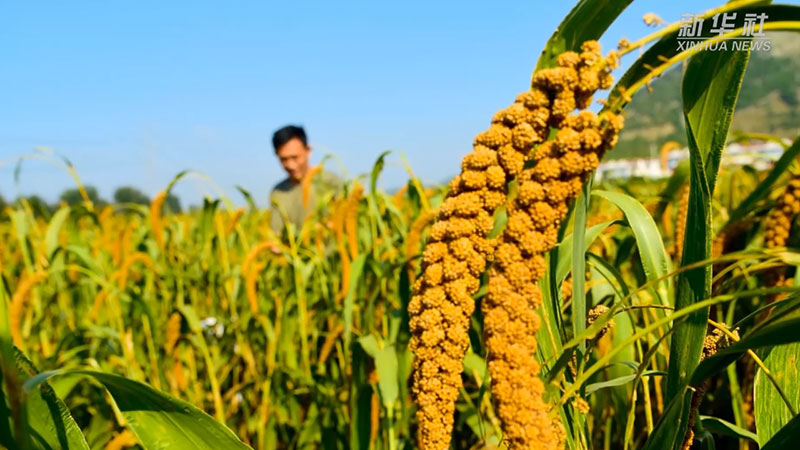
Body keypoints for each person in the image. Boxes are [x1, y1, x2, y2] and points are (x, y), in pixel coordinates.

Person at [269, 125, 339, 234]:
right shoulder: (278, 192)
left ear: (308, 151)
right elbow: (276, 233)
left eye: (295, 157)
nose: (290, 165)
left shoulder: (330, 181)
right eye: (284, 159)